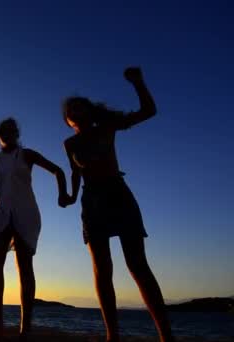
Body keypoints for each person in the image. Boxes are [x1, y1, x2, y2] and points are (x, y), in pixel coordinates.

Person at [61, 67, 173, 342]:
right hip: (92, 202)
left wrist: (138, 83)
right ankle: (113, 336)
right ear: (67, 120)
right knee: (102, 269)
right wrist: (71, 196)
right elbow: (77, 174)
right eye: (70, 110)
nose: (75, 112)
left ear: (88, 111)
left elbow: (148, 111)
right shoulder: (69, 143)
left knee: (137, 265)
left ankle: (166, 336)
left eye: (80, 107)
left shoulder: (107, 127)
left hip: (118, 194)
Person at [0, 118, 68, 340]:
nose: (7, 133)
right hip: (1, 214)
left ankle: (26, 327)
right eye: (3, 131)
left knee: (25, 267)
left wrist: (64, 194)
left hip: (26, 214)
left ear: (17, 133)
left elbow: (58, 171)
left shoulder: (28, 155)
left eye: (11, 130)